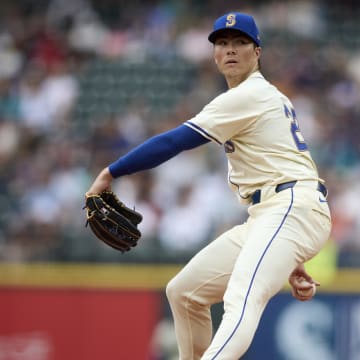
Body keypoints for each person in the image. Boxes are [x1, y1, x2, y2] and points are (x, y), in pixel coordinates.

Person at [86, 12, 332, 359]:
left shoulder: (249, 94)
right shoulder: (258, 97)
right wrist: (289, 255)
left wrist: (111, 172)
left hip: (290, 207)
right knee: (184, 292)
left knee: (241, 297)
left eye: (240, 42)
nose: (230, 50)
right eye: (222, 43)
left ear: (257, 51)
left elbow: (174, 141)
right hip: (276, 213)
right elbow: (285, 162)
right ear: (214, 54)